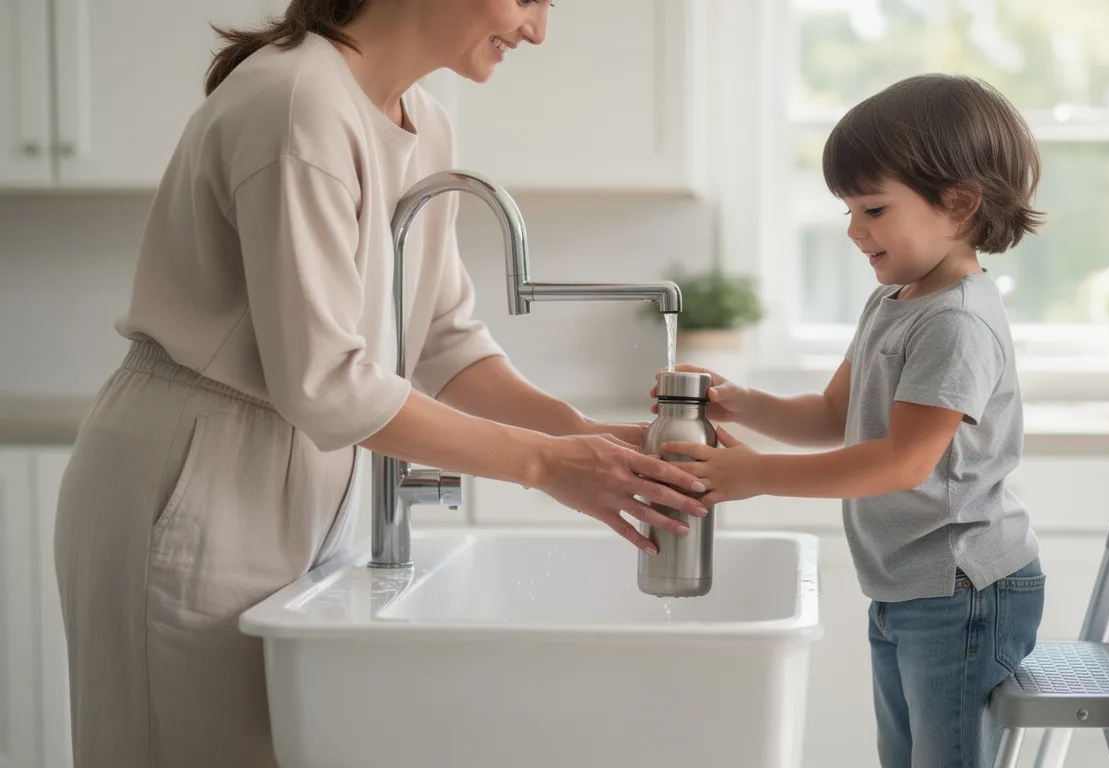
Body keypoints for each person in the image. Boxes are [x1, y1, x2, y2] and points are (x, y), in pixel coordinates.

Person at [53, 1, 709, 766]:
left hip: (294, 476)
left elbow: (440, 337)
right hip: (195, 470)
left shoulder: (424, 123)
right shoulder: (296, 102)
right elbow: (327, 384)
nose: (537, 30)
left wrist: (577, 433)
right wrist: (541, 465)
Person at [657, 74, 1047, 767]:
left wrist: (757, 474)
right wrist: (741, 402)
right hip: (910, 582)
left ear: (957, 205)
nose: (852, 228)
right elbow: (836, 416)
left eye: (872, 207)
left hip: (962, 589)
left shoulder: (955, 322)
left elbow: (902, 461)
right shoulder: (897, 300)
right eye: (847, 208)